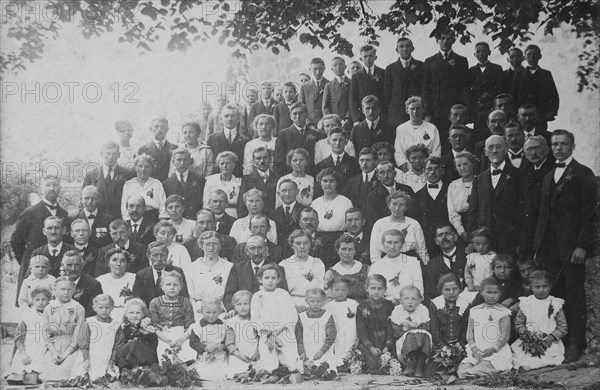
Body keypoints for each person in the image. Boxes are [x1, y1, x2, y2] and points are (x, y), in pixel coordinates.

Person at [534, 129, 596, 363]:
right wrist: (539, 246)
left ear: (572, 146)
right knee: (556, 295)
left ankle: (576, 343)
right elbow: (543, 215)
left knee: (574, 294)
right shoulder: (549, 176)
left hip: (572, 248)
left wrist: (582, 245)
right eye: (555, 144)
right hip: (551, 248)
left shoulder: (583, 174)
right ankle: (559, 339)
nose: (559, 148)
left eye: (564, 144)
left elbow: (590, 214)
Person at [468, 135, 521, 256]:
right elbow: (473, 211)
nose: (494, 150)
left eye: (498, 147)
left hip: (510, 239)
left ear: (506, 149)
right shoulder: (479, 179)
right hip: (485, 241)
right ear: (486, 152)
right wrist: (472, 239)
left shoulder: (518, 175)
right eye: (490, 147)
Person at [457, 278, 513, 378]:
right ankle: (477, 370)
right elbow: (470, 333)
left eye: (495, 292)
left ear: (500, 293)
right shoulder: (475, 311)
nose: (492, 296)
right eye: (488, 292)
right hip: (478, 351)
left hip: (496, 351)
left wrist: (493, 349)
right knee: (462, 371)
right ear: (482, 293)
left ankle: (486, 369)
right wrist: (474, 348)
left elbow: (504, 336)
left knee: (477, 370)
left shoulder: (503, 312)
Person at [511, 270, 567, 370]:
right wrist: (525, 335)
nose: (541, 290)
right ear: (530, 287)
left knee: (548, 359)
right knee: (523, 360)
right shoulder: (526, 302)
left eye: (545, 286)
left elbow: (562, 327)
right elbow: (519, 323)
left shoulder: (555, 303)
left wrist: (550, 338)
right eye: (537, 287)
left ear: (550, 286)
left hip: (549, 342)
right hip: (529, 341)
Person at [11, 174, 68, 267]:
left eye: (55, 185)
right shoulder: (29, 212)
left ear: (60, 188)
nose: (51, 188)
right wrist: (26, 263)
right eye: (48, 185)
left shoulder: (64, 214)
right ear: (41, 188)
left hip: (58, 268)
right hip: (34, 268)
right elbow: (16, 241)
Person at [251, 264, 299, 372]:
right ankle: (271, 370)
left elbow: (291, 314)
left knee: (290, 362)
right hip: (266, 333)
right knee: (269, 364)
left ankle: (290, 369)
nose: (270, 281)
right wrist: (268, 331)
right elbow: (255, 318)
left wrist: (279, 330)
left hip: (283, 331)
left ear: (278, 279)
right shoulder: (257, 296)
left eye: (273, 278)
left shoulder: (284, 294)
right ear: (260, 279)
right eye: (267, 278)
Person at [38, 277, 87, 380]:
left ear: (74, 290)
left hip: (71, 348)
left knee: (67, 373)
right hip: (53, 346)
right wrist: (53, 352)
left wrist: (66, 354)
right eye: (62, 289)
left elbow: (78, 334)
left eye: (69, 289)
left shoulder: (78, 308)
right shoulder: (48, 308)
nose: (66, 292)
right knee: (48, 373)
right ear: (54, 290)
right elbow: (45, 333)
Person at [224, 234, 288, 311]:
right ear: (246, 251)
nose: (256, 252)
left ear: (266, 249)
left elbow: (283, 296)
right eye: (252, 248)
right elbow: (229, 294)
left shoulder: (277, 269)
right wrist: (232, 309)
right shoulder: (238, 268)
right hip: (243, 312)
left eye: (260, 248)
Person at [422, 29, 469, 132]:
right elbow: (426, 89)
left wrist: (464, 109)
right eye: (442, 38)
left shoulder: (461, 60)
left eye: (449, 38)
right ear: (437, 41)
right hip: (436, 110)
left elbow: (465, 87)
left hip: (456, 110)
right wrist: (427, 113)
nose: (445, 41)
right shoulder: (430, 61)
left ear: (453, 40)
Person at [19, 217, 74, 301]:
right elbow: (29, 279)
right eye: (49, 228)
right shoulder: (37, 252)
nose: (53, 231)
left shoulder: (72, 251)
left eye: (57, 228)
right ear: (44, 231)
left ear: (63, 230)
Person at [149, 270, 196, 364]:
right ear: (162, 286)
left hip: (182, 335)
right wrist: (165, 339)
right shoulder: (155, 302)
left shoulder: (186, 302)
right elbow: (155, 326)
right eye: (168, 284)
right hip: (163, 335)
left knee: (187, 351)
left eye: (175, 285)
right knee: (165, 352)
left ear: (180, 287)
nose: (172, 287)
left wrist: (181, 339)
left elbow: (189, 326)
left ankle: (185, 370)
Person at [7, 287, 51, 385]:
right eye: (37, 300)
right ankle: (17, 376)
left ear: (49, 301)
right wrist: (23, 352)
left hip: (44, 348)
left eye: (44, 299)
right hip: (28, 347)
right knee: (15, 377)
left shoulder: (51, 315)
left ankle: (32, 377)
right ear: (32, 301)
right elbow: (19, 336)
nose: (40, 302)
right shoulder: (28, 314)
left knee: (31, 380)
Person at [370, 191, 428, 264]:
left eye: (401, 205)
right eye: (394, 204)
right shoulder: (379, 224)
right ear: (389, 205)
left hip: (409, 262)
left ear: (406, 207)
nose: (397, 208)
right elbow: (375, 251)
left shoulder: (414, 224)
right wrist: (378, 267)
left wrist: (426, 267)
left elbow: (422, 250)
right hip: (386, 262)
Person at [519, 136, 554, 257]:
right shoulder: (524, 171)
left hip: (547, 229)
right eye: (529, 149)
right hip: (528, 228)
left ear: (547, 150)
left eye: (537, 148)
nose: (533, 153)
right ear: (524, 153)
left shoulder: (553, 170)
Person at [512, 45, 559, 131]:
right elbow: (514, 95)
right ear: (525, 57)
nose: (532, 57)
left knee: (540, 134)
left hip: (541, 113)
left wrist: (551, 112)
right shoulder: (519, 74)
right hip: (524, 114)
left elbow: (554, 95)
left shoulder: (546, 74)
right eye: (529, 54)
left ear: (540, 56)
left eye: (535, 54)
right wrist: (516, 113)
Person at [82, 141, 135, 219]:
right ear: (101, 154)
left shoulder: (126, 174)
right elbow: (83, 198)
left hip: (118, 219)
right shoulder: (91, 174)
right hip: (98, 219)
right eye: (108, 153)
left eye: (114, 154)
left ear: (119, 155)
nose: (111, 157)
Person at [369, 229, 424, 302]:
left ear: (402, 244)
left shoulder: (413, 262)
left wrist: (402, 301)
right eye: (389, 242)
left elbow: (418, 290)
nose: (392, 246)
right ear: (383, 244)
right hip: (383, 306)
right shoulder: (376, 266)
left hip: (409, 304)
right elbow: (372, 293)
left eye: (396, 242)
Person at [356, 274, 395, 373]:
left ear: (385, 289)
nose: (376, 292)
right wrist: (370, 347)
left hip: (386, 342)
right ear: (366, 288)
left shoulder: (389, 306)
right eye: (373, 288)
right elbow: (361, 331)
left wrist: (387, 346)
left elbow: (391, 328)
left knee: (388, 361)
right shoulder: (361, 307)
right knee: (373, 365)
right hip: (369, 342)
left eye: (380, 288)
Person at [186, 231, 233, 313]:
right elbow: (191, 295)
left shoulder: (229, 266)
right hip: (198, 309)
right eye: (207, 244)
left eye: (214, 244)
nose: (211, 248)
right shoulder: (193, 267)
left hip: (221, 309)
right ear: (201, 246)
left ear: (220, 246)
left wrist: (223, 308)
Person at [412, 156, 450, 256]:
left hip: (449, 242)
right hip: (427, 244)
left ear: (442, 171)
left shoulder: (451, 190)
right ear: (424, 171)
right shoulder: (416, 196)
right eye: (429, 169)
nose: (432, 172)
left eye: (436, 169)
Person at [132, 241, 189, 307]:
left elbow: (184, 299)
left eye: (162, 255)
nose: (159, 259)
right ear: (148, 256)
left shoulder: (177, 272)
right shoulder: (141, 275)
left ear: (167, 255)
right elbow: (137, 302)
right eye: (155, 255)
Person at [391, 285, 431, 377]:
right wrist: (411, 330)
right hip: (403, 341)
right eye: (406, 298)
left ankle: (419, 366)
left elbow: (426, 327)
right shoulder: (397, 311)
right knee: (410, 336)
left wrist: (411, 329)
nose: (410, 302)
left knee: (424, 335)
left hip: (422, 339)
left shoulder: (423, 310)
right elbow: (396, 332)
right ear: (400, 300)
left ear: (420, 300)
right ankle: (410, 364)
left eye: (414, 299)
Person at [274, 102, 324, 176]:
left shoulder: (315, 134)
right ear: (290, 116)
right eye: (294, 114)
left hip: (310, 175)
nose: (298, 117)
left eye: (301, 113)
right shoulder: (283, 134)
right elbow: (279, 161)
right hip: (290, 175)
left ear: (306, 114)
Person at [279, 229, 326, 307]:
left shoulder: (318, 263)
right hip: (290, 304)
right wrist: (293, 307)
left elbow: (321, 288)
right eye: (298, 243)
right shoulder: (283, 265)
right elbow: (281, 292)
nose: (302, 246)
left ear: (310, 245)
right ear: (291, 245)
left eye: (306, 243)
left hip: (314, 304)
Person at [385, 37, 424, 128]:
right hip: (397, 113)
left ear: (412, 48)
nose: (405, 49)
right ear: (397, 50)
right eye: (401, 46)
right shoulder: (390, 68)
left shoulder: (420, 66)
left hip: (416, 112)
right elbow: (387, 94)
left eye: (408, 46)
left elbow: (424, 89)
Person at [296, 288, 338, 372]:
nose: (315, 304)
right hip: (307, 350)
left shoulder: (327, 316)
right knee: (302, 369)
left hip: (323, 351)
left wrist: (322, 352)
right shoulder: (301, 317)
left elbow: (331, 336)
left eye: (319, 301)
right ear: (306, 301)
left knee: (326, 368)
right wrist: (302, 352)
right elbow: (298, 337)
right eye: (312, 301)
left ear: (324, 301)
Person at [395, 96, 442, 169]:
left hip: (427, 168)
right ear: (407, 110)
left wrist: (428, 165)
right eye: (412, 109)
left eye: (418, 108)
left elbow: (436, 151)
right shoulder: (401, 129)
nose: (415, 112)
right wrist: (406, 169)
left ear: (423, 110)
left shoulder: (432, 128)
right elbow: (399, 152)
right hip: (408, 169)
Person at [111, 298, 159, 369]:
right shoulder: (125, 328)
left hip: (144, 354)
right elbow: (120, 343)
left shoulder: (146, 326)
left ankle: (142, 370)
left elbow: (153, 342)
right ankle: (126, 370)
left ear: (143, 314)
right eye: (131, 313)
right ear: (126, 314)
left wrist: (145, 334)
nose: (134, 316)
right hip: (129, 355)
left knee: (134, 344)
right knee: (122, 349)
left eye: (138, 313)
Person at [365, 160, 414, 229]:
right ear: (378, 176)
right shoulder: (372, 196)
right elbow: (372, 222)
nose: (386, 176)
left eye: (389, 171)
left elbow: (413, 214)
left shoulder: (407, 190)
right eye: (382, 173)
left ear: (395, 173)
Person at [323, 277, 359, 369]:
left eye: (343, 290)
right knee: (336, 347)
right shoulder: (328, 307)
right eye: (336, 290)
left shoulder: (353, 304)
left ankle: (350, 363)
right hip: (336, 332)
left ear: (349, 290)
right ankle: (338, 365)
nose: (340, 292)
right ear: (331, 290)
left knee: (349, 346)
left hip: (350, 331)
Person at [83, 294, 120, 381]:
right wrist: (86, 359)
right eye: (100, 307)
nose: (104, 310)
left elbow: (118, 345)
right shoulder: (89, 322)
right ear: (94, 308)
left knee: (106, 378)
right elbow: (84, 343)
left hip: (107, 357)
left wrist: (112, 361)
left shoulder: (116, 325)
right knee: (86, 377)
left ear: (112, 308)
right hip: (90, 357)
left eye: (107, 307)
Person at [121, 154, 168, 223]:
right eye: (140, 166)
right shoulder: (129, 184)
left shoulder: (157, 183)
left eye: (147, 167)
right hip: (134, 217)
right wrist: (128, 221)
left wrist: (162, 220)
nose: (143, 169)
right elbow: (124, 206)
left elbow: (163, 205)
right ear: (135, 168)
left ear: (151, 168)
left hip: (152, 218)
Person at [467, 42, 503, 129]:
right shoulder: (471, 71)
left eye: (484, 51)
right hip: (477, 111)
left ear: (489, 52)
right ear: (474, 54)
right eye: (478, 51)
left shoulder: (496, 69)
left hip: (491, 109)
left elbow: (501, 89)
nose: (481, 54)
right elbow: (469, 93)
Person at [162, 147, 205, 220]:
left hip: (194, 220)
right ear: (173, 161)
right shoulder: (166, 183)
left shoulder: (199, 180)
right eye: (179, 160)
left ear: (190, 161)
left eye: (185, 160)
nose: (182, 163)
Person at [207, 104, 250, 177]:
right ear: (221, 118)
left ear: (238, 118)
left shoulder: (245, 140)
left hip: (238, 179)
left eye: (233, 116)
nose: (229, 119)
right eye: (226, 116)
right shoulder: (212, 139)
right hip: (218, 179)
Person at [426, 225, 467, 300]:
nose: (444, 237)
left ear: (455, 237)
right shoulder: (432, 265)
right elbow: (431, 293)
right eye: (440, 235)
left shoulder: (467, 257)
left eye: (447, 234)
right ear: (436, 241)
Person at [324, 234, 369, 301]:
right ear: (338, 251)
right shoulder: (331, 274)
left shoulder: (366, 269)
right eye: (343, 249)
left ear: (355, 251)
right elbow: (328, 298)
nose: (347, 253)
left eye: (350, 249)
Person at [96, 248, 137, 321]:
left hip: (130, 317)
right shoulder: (100, 280)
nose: (118, 264)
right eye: (114, 260)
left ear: (127, 263)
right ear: (108, 263)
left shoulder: (135, 278)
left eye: (122, 261)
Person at [429, 274, 470, 348]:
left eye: (455, 289)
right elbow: (434, 329)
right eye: (447, 289)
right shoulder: (435, 304)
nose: (451, 292)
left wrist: (460, 346)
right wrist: (443, 347)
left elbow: (466, 330)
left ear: (460, 289)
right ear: (441, 290)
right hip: (439, 346)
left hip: (460, 346)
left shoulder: (465, 305)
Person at [225, 291, 260, 377]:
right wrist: (239, 355)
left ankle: (253, 372)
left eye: (246, 304)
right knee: (235, 367)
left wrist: (258, 352)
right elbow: (229, 344)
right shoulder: (231, 322)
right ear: (234, 306)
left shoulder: (255, 320)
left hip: (255, 353)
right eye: (239, 304)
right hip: (238, 354)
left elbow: (260, 338)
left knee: (262, 367)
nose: (243, 307)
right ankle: (244, 373)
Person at [315, 127, 361, 192]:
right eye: (334, 140)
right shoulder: (321, 166)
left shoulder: (355, 163)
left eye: (341, 140)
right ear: (329, 142)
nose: (337, 143)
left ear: (346, 142)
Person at [239, 146, 280, 217]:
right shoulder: (247, 179)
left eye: (265, 158)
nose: (262, 161)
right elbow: (242, 204)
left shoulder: (278, 178)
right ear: (254, 161)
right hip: (253, 220)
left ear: (270, 159)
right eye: (258, 158)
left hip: (273, 219)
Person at [311, 167, 353, 236]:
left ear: (336, 183)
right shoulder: (315, 203)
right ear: (320, 182)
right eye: (325, 181)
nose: (328, 184)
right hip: (319, 238)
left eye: (331, 181)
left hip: (340, 238)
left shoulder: (346, 202)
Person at [350, 45, 386, 124]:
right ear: (361, 59)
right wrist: (357, 119)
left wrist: (385, 116)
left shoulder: (383, 73)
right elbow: (354, 99)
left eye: (370, 56)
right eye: (365, 56)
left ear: (375, 57)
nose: (368, 59)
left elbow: (386, 97)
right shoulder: (356, 76)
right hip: (363, 116)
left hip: (380, 115)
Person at [61, 251, 103, 317]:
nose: (73, 269)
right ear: (62, 265)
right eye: (69, 265)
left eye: (76, 265)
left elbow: (94, 311)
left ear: (82, 265)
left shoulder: (93, 284)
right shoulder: (57, 283)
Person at [447, 151, 476, 241]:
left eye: (465, 164)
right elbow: (452, 212)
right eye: (458, 165)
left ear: (473, 164)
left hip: (478, 226)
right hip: (459, 228)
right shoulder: (453, 185)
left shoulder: (480, 181)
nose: (462, 168)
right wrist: (462, 232)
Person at [203, 151, 243, 218]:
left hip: (232, 214)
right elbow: (206, 202)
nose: (224, 166)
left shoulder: (239, 182)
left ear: (233, 165)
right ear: (218, 165)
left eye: (228, 163)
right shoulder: (210, 180)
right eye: (222, 163)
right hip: (213, 215)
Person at [137, 117, 178, 181]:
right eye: (156, 126)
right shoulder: (143, 149)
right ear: (151, 129)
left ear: (167, 129)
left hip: (170, 188)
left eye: (162, 127)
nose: (159, 130)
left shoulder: (175, 148)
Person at [270, 179, 304, 245]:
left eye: (291, 190)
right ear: (279, 194)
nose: (287, 194)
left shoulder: (304, 211)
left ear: (297, 192)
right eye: (284, 191)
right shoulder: (272, 214)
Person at [464, 228, 496, 295]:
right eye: (478, 244)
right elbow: (467, 273)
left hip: (490, 289)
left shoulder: (492, 257)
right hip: (475, 289)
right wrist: (470, 284)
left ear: (489, 243)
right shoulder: (472, 257)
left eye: (484, 244)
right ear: (473, 244)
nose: (481, 247)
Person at [322, 57, 351, 130]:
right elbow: (325, 106)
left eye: (341, 64)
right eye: (335, 65)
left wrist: (348, 118)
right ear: (332, 69)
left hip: (349, 120)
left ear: (345, 67)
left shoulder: (352, 83)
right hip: (334, 123)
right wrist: (332, 120)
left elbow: (353, 103)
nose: (338, 67)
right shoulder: (329, 85)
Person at [300, 57, 329, 124]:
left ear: (324, 69)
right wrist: (309, 123)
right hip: (309, 125)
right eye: (315, 69)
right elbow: (301, 108)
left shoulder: (329, 85)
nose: (318, 72)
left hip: (325, 124)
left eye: (320, 69)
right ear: (310, 69)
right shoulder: (304, 87)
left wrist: (324, 121)